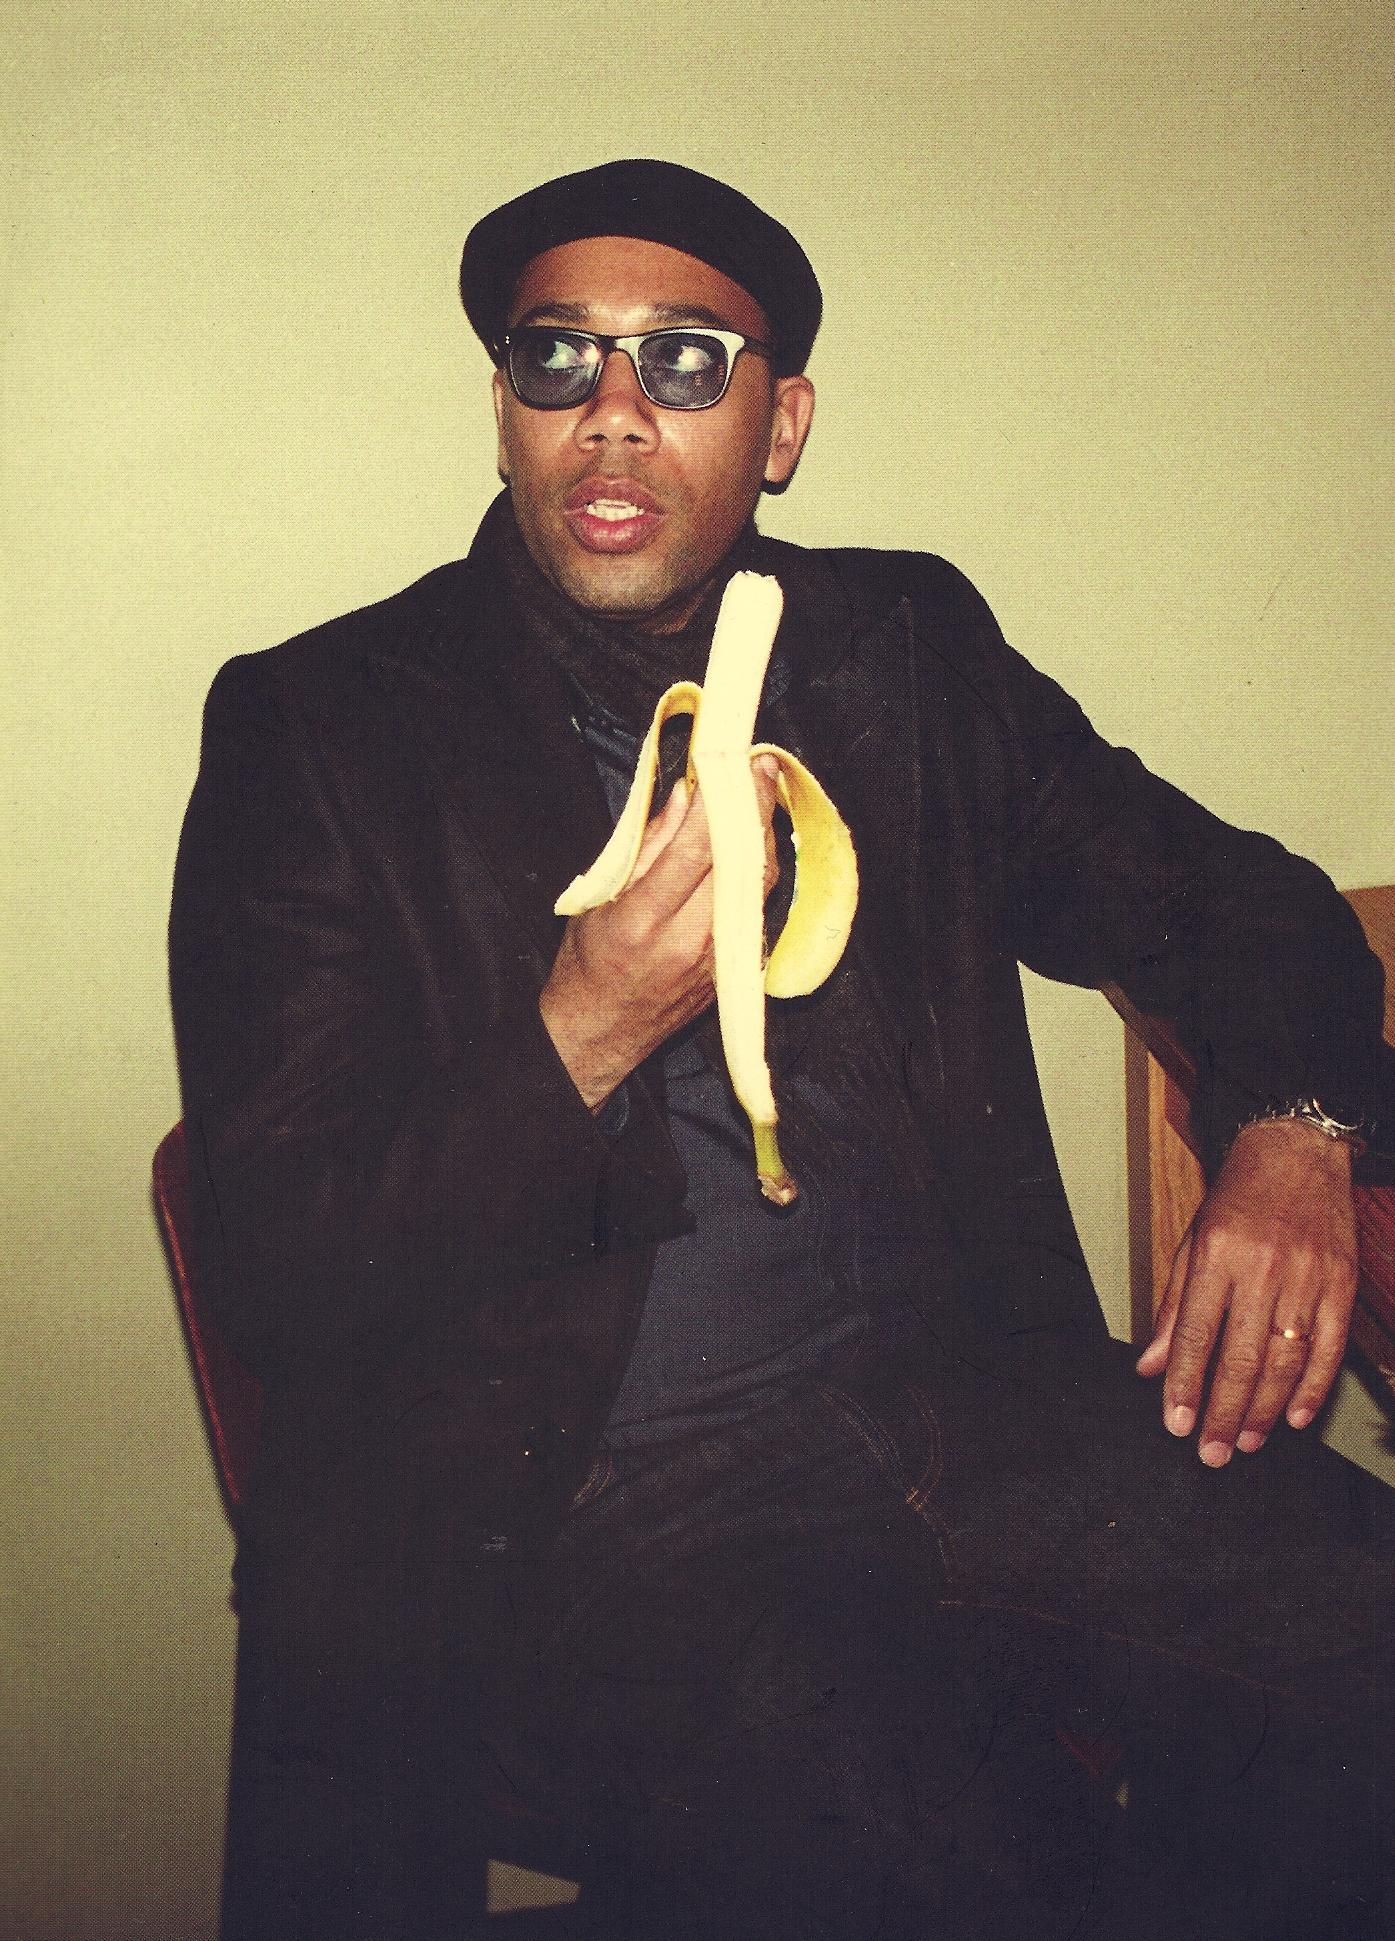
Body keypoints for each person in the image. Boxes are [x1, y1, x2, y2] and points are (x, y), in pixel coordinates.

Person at [169, 160, 1392, 1940]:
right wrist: (583, 1027)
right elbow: (289, 1262)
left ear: (780, 426)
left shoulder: (904, 651)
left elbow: (1236, 905)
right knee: (983, 1873)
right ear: (504, 411)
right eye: (555, 358)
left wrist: (1295, 1131)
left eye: (682, 362)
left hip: (992, 1425)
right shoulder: (321, 723)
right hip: (597, 1522)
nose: (610, 414)